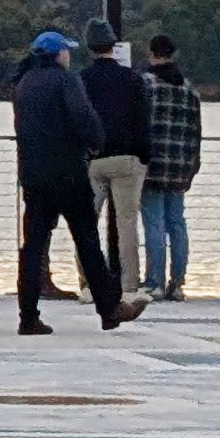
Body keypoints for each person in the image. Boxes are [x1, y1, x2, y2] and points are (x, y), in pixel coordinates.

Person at [10, 31, 126, 335]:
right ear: (58, 54)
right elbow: (82, 117)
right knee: (87, 241)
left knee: (33, 247)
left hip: (34, 177)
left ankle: (28, 315)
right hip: (68, 173)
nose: (69, 55)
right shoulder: (67, 80)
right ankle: (109, 308)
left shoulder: (23, 84)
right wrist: (96, 142)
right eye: (66, 51)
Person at [80, 18, 152, 321]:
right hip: (127, 158)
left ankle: (87, 285)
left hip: (92, 159)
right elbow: (143, 120)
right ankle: (129, 285)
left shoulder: (81, 80)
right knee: (127, 224)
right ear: (113, 46)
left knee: (85, 224)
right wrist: (144, 156)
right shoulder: (133, 79)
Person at [139, 34, 202, 302]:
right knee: (177, 223)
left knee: (154, 223)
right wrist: (192, 165)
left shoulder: (146, 85)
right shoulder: (189, 89)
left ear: (152, 54)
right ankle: (177, 282)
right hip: (180, 166)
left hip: (152, 165)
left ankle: (155, 281)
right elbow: (197, 131)